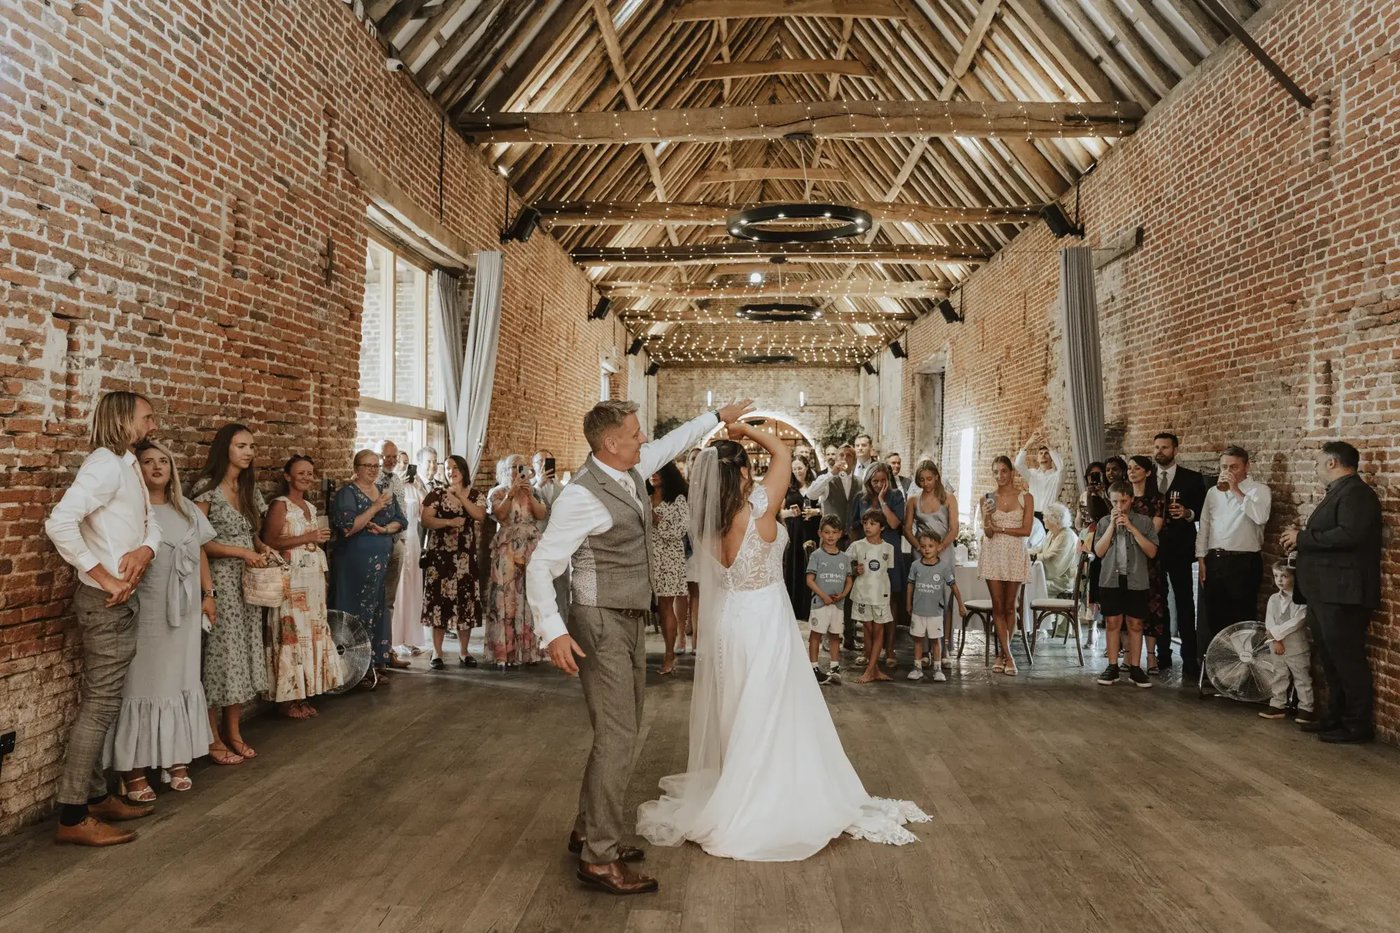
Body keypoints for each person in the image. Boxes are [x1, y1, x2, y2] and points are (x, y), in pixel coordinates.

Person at [636, 421, 928, 861]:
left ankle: (743, 779)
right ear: (738, 474)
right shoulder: (757, 510)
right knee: (773, 701)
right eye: (745, 468)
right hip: (765, 618)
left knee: (740, 703)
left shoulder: (710, 521)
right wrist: (743, 429)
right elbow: (783, 456)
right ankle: (769, 792)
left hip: (732, 622)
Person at [526, 397, 753, 895]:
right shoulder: (581, 497)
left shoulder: (628, 470)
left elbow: (674, 442)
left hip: (628, 620)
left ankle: (589, 829)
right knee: (617, 736)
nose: (643, 438)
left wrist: (716, 418)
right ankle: (599, 858)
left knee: (619, 729)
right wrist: (553, 630)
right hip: (599, 623)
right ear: (611, 443)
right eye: (634, 432)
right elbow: (540, 565)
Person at [45, 391, 161, 845]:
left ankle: (94, 795)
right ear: (122, 420)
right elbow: (60, 523)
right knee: (99, 706)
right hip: (104, 601)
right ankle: (73, 817)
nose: (152, 426)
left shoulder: (127, 462)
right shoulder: (102, 465)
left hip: (121, 599)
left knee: (105, 702)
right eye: (146, 418)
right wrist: (102, 576)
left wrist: (144, 548)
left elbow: (151, 520)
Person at [103, 440, 215, 801]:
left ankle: (175, 758)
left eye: (162, 461)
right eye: (148, 461)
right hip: (147, 609)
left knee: (181, 680)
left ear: (172, 468)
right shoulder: (134, 511)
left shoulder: (187, 510)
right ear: (137, 469)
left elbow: (200, 552)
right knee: (143, 683)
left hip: (184, 613)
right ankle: (133, 770)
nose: (156, 467)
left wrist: (209, 595)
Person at [1282, 441, 1382, 743]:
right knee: (1330, 659)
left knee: (1347, 659)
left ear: (1331, 463)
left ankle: (1356, 725)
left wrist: (1303, 538)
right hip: (1325, 592)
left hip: (1343, 593)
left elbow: (1350, 535)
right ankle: (1334, 716)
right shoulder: (1341, 492)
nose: (1315, 469)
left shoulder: (1357, 493)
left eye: (1317, 463)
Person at [191, 423, 274, 761]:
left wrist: (260, 547)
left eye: (252, 446)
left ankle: (234, 732)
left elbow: (250, 533)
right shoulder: (205, 490)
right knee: (219, 660)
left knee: (241, 659)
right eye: (241, 445)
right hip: (220, 582)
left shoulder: (249, 490)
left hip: (248, 584)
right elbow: (198, 543)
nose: (248, 452)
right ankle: (212, 739)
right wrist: (242, 553)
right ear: (224, 448)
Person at [261, 455, 341, 718]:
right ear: (287, 476)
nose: (307, 477)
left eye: (310, 473)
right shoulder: (280, 505)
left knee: (311, 633)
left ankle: (303, 694)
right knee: (291, 633)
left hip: (312, 579)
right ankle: (286, 700)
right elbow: (269, 540)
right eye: (301, 473)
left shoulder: (309, 505)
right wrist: (309, 537)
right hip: (291, 578)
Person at [329, 449, 406, 683]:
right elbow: (348, 527)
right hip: (354, 564)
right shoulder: (348, 493)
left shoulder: (384, 491)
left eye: (376, 465)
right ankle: (353, 669)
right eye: (368, 465)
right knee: (354, 609)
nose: (373, 470)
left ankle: (374, 663)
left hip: (379, 566)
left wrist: (384, 529)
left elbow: (401, 521)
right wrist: (374, 507)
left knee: (376, 610)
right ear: (356, 468)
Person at [1196, 446, 1271, 677]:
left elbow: (1260, 517)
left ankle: (1244, 673)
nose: (1227, 471)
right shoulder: (1213, 493)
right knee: (1216, 617)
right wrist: (1201, 558)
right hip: (1215, 559)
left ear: (1246, 467)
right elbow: (1205, 524)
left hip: (1244, 561)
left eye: (1233, 467)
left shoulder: (1260, 490)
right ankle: (1222, 672)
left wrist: (1236, 489)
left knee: (1242, 617)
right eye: (1224, 467)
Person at [420, 454, 487, 669]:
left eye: (456, 467)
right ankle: (437, 653)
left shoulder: (475, 495)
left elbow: (480, 516)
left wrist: (461, 497)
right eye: (448, 468)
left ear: (464, 470)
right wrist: (448, 521)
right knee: (439, 603)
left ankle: (464, 652)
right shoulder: (436, 494)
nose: (451, 471)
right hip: (440, 558)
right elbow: (426, 520)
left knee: (465, 603)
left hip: (465, 559)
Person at [1093, 482, 1160, 688]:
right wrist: (1113, 526)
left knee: (1135, 623)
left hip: (1136, 579)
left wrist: (1131, 527)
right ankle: (1112, 666)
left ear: (1131, 500)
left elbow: (1152, 551)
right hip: (1110, 579)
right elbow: (1099, 551)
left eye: (1123, 501)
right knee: (1113, 623)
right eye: (1114, 502)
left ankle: (1135, 667)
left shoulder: (1144, 522)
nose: (1119, 506)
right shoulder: (1104, 522)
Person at [1152, 432, 1208, 676]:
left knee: (1185, 602)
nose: (1159, 452)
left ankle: (1190, 659)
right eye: (1156, 447)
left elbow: (1202, 511)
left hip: (1181, 548)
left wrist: (1187, 513)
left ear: (1175, 450)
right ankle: (1162, 655)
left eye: (1164, 447)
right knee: (1158, 602)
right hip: (1153, 548)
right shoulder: (1147, 478)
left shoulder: (1192, 479)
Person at [485, 453, 547, 670]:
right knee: (507, 598)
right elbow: (500, 515)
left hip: (531, 549)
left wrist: (529, 495)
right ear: (504, 470)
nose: (518, 470)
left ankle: (530, 651)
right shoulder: (498, 492)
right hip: (508, 550)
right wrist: (511, 494)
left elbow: (541, 514)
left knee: (531, 597)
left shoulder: (534, 491)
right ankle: (506, 652)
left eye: (522, 466)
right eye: (514, 466)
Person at [979, 456, 1034, 675]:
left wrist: (1001, 530)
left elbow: (1026, 530)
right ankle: (1009, 657)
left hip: (1014, 554)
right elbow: (988, 532)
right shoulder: (987, 498)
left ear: (1011, 472)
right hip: (993, 553)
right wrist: (986, 519)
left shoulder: (1025, 497)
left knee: (1011, 606)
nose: (1000, 476)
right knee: (998, 606)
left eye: (1003, 471)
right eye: (996, 472)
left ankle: (1002, 653)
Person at [849, 462, 906, 667]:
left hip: (888, 553)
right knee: (866, 600)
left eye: (883, 480)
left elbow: (893, 524)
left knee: (889, 603)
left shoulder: (896, 496)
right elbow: (854, 526)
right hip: (866, 555)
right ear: (868, 481)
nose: (879, 484)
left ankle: (889, 651)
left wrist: (882, 501)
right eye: (875, 481)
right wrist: (854, 558)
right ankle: (868, 650)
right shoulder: (860, 498)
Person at [905, 459, 960, 670]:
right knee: (922, 597)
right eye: (921, 479)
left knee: (944, 599)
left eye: (929, 478)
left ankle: (944, 647)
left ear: (937, 476)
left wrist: (941, 547)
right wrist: (919, 547)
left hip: (944, 551)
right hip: (921, 550)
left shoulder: (948, 499)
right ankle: (924, 649)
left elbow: (954, 528)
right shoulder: (913, 500)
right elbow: (907, 529)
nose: (926, 483)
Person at [1126, 455, 1168, 674]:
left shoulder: (1157, 500)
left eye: (1137, 468)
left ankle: (1151, 657)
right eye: (1129, 468)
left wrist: (1133, 534)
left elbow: (1154, 531)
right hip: (1124, 558)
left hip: (1147, 559)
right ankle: (1127, 655)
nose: (1132, 472)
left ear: (1148, 472)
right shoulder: (1124, 497)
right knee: (1126, 605)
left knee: (1151, 606)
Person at [1258, 562, 1314, 724]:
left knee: (1301, 677)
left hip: (1296, 646)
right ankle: (1278, 704)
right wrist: (1275, 639)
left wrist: (1277, 634)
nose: (1280, 580)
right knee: (1279, 674)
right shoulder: (1273, 599)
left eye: (1284, 576)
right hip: (1276, 645)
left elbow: (1297, 622)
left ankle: (1306, 707)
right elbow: (1270, 621)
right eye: (1276, 576)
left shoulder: (1301, 600)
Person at [649, 461, 690, 675]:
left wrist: (657, 522)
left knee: (666, 606)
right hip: (646, 558)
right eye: (652, 471)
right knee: (649, 607)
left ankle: (669, 654)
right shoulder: (645, 496)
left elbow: (682, 529)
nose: (653, 475)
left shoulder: (678, 499)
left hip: (669, 559)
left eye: (658, 471)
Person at [847, 509, 897, 684]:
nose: (868, 527)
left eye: (873, 523)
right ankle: (874, 669)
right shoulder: (857, 546)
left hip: (881, 595)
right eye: (866, 523)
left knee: (879, 630)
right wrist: (854, 570)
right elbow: (843, 564)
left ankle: (870, 670)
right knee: (868, 630)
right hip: (862, 594)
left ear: (882, 527)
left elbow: (885, 572)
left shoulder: (888, 549)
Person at [806, 516, 852, 685]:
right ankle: (814, 667)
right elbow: (809, 579)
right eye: (826, 532)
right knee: (816, 634)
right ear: (820, 533)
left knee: (835, 635)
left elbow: (849, 579)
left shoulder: (844, 558)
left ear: (840, 534)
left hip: (837, 605)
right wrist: (823, 596)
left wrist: (843, 594)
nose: (830, 536)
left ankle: (834, 667)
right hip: (820, 604)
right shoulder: (816, 556)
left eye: (834, 532)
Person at [377, 440, 410, 669]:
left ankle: (387, 651)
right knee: (374, 599)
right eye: (385, 456)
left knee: (389, 600)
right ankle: (374, 654)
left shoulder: (397, 479)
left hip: (397, 541)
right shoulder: (371, 481)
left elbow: (403, 511)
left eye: (394, 456)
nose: (390, 460)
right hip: (377, 543)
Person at [391, 449, 426, 660]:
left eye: (407, 463)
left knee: (412, 589)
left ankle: (412, 638)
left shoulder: (414, 488)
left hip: (414, 541)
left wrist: (421, 488)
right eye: (400, 463)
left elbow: (425, 516)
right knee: (398, 590)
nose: (404, 467)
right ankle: (395, 639)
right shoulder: (391, 487)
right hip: (398, 539)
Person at [907, 529, 953, 682]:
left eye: (930, 546)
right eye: (923, 546)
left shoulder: (944, 567)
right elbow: (910, 586)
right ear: (919, 547)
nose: (927, 549)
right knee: (918, 639)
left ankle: (938, 669)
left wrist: (960, 604)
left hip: (935, 612)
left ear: (938, 546)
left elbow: (954, 587)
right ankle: (917, 667)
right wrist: (908, 604)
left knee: (936, 640)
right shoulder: (915, 566)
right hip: (918, 611)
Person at [780, 455, 821, 622]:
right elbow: (778, 512)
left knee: (811, 568)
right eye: (794, 468)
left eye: (800, 468)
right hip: (795, 532)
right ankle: (796, 609)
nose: (797, 471)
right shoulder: (788, 488)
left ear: (807, 467)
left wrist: (816, 512)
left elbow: (824, 508)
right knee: (795, 566)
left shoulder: (816, 487)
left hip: (812, 530)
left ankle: (811, 608)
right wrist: (791, 513)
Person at [533, 448, 570, 621]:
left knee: (561, 590)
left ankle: (562, 632)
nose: (543, 465)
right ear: (533, 466)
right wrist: (538, 485)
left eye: (547, 461)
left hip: (558, 546)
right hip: (536, 545)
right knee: (538, 590)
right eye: (539, 462)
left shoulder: (563, 489)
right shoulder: (529, 488)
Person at [805, 445, 857, 541]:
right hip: (830, 540)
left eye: (849, 455)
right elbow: (810, 495)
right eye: (841, 455)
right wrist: (831, 474)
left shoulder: (860, 482)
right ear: (836, 459)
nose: (844, 458)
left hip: (853, 540)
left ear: (854, 461)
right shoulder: (827, 479)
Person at [1030, 503, 1077, 598]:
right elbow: (1040, 549)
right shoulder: (1052, 533)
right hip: (1053, 578)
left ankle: (1034, 612)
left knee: (1028, 585)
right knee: (1023, 583)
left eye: (1045, 517)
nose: (1043, 519)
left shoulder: (1066, 536)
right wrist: (1024, 552)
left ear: (1055, 519)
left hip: (1061, 581)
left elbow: (1053, 560)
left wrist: (1032, 557)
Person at [1014, 432, 1064, 520]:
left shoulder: (1057, 476)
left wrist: (1050, 447)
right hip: (1033, 516)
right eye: (1040, 453)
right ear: (1037, 458)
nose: (1043, 456)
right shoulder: (1032, 475)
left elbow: (1062, 468)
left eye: (1046, 453)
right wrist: (1028, 444)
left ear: (1051, 457)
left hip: (1050, 516)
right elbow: (1018, 464)